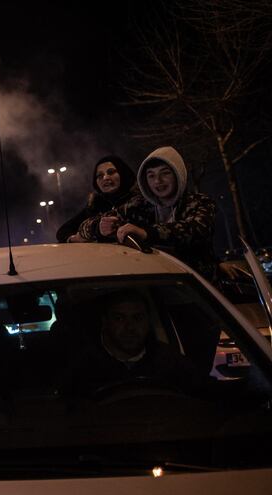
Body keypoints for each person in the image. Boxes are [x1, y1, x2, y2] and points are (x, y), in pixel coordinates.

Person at [79, 147, 217, 279]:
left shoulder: (200, 202)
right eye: (151, 175)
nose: (158, 181)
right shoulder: (139, 205)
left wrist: (146, 232)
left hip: (197, 287)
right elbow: (86, 225)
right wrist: (99, 228)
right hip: (155, 287)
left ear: (178, 174)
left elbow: (194, 231)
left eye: (165, 173)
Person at [64, 289, 210, 397]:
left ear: (148, 321)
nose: (129, 327)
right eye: (119, 318)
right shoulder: (85, 366)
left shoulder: (169, 360)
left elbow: (202, 393)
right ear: (105, 322)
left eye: (137, 318)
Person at [56, 155, 137, 243]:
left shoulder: (140, 201)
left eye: (111, 172)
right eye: (100, 175)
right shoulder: (95, 205)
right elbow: (62, 232)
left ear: (123, 173)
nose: (105, 178)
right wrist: (74, 238)